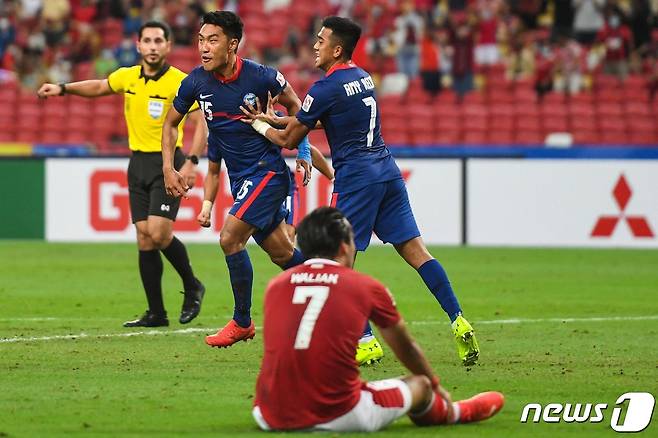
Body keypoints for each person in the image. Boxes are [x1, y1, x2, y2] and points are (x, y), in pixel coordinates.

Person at [240, 16, 480, 367]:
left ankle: (365, 340)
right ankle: (458, 320)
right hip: (387, 171)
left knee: (339, 261)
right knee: (417, 252)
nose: (315, 45)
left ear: (337, 48)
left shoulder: (324, 88)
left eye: (321, 40)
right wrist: (276, 118)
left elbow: (292, 139)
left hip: (356, 178)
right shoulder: (361, 77)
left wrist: (260, 123)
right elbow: (324, 118)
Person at [252, 207, 504, 432]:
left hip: (269, 412)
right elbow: (406, 348)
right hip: (338, 413)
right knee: (419, 385)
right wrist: (435, 385)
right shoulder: (364, 286)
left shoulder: (276, 286)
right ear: (343, 247)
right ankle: (454, 411)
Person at [37, 20, 207, 328]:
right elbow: (100, 86)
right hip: (137, 163)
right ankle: (156, 313)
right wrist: (62, 89)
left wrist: (192, 162)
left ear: (168, 46)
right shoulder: (128, 77)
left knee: (158, 233)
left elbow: (201, 123)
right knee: (144, 238)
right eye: (148, 41)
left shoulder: (179, 82)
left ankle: (193, 285)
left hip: (167, 162)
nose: (153, 46)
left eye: (159, 41)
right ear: (138, 45)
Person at [161, 10, 311, 348]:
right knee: (284, 256)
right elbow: (171, 124)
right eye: (201, 40)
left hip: (269, 174)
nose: (203, 47)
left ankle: (242, 321)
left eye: (212, 40)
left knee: (229, 239)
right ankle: (337, 289)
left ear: (232, 44)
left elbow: (299, 109)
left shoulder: (262, 77)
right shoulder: (196, 82)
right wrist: (169, 167)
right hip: (242, 180)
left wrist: (302, 152)